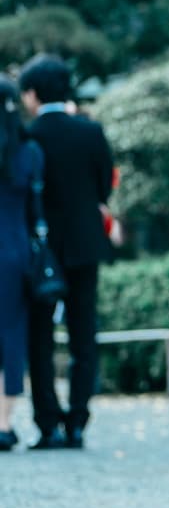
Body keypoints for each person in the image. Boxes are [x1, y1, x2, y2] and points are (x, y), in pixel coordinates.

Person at [19, 55, 115, 451]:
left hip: (38, 252)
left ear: (33, 94)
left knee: (39, 338)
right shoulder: (91, 132)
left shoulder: (27, 136)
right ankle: (77, 421)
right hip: (84, 244)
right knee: (83, 335)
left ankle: (47, 425)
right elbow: (104, 188)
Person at [0, 78, 44, 452]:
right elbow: (35, 209)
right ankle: (4, 422)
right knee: (12, 333)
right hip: (15, 251)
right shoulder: (28, 151)